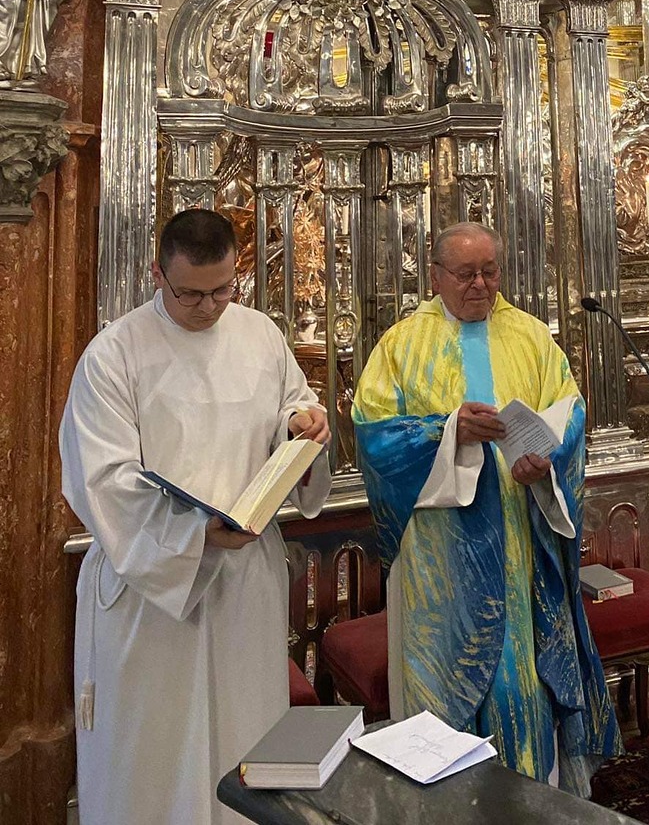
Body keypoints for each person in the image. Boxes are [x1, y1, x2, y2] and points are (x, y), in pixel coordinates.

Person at [59, 208, 333, 825]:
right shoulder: (114, 355)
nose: (209, 307)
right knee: (152, 756)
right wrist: (192, 534)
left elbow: (292, 406)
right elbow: (101, 478)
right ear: (157, 274)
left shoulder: (260, 334)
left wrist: (301, 424)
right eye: (190, 294)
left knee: (243, 739)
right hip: (151, 589)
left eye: (223, 290)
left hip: (244, 583)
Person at [352, 221, 620, 795]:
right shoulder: (401, 345)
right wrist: (449, 433)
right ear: (435, 276)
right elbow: (375, 438)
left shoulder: (530, 336)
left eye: (490, 272)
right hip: (441, 561)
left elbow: (569, 411)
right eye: (465, 274)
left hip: (519, 551)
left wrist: (544, 462)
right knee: (443, 688)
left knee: (518, 688)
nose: (480, 285)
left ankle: (528, 802)